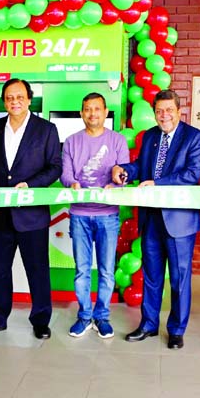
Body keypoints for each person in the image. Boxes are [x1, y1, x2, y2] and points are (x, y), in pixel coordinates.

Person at [111, 90, 200, 349]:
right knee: (151, 276)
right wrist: (124, 172)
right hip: (152, 218)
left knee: (179, 278)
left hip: (179, 221)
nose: (164, 116)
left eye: (169, 110)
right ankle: (148, 324)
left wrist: (157, 183)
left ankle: (176, 329)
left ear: (179, 110)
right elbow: (141, 166)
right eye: (159, 111)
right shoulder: (151, 135)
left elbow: (192, 174)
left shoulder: (194, 136)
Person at [0, 78, 62, 340]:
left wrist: (30, 185)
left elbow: (55, 167)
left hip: (32, 214)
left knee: (37, 270)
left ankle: (41, 320)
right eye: (9, 97)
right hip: (0, 213)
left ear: (29, 99)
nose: (15, 101)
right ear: (4, 100)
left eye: (20, 96)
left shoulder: (46, 129)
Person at [60, 92, 128, 339]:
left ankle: (102, 316)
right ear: (81, 113)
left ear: (105, 111)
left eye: (97, 109)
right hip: (79, 214)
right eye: (87, 109)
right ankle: (85, 316)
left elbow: (124, 172)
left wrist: (116, 184)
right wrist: (72, 183)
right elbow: (65, 174)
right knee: (82, 270)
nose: (92, 114)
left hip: (108, 215)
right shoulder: (71, 141)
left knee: (107, 270)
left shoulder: (118, 140)